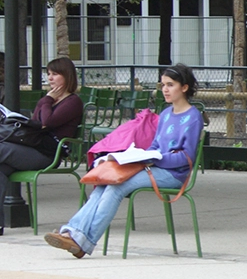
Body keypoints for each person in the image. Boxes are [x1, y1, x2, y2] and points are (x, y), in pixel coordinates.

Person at [45, 64, 203, 258]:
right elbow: (155, 146)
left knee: (117, 186)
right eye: (163, 85)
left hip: (173, 174)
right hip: (151, 166)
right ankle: (72, 233)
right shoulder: (165, 114)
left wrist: (155, 159)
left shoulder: (193, 117)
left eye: (170, 85)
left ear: (184, 87)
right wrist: (142, 156)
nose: (165, 89)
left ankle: (82, 241)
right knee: (105, 181)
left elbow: (187, 158)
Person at [0, 56, 83, 236]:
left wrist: (46, 100)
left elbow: (47, 123)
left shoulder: (72, 102)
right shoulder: (49, 100)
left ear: (67, 76)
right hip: (32, 149)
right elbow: (35, 123)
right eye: (48, 74)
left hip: (47, 154)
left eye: (55, 74)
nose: (50, 78)